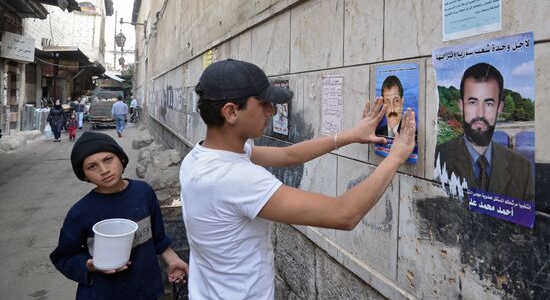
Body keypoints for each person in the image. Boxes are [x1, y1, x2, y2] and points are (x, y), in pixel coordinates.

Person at [179, 59, 416, 299]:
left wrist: (349, 136)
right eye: (263, 104)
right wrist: (396, 156)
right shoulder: (235, 178)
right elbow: (344, 214)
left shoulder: (201, 157)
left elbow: (288, 155)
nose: (271, 111)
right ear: (231, 112)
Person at [50, 131, 188, 299]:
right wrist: (91, 265)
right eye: (92, 166)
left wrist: (173, 260)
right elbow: (63, 257)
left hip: (147, 290)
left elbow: (157, 237)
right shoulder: (80, 213)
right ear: (84, 176)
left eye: (108, 160)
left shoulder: (143, 193)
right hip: (104, 293)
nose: (104, 170)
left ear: (121, 159)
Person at [435, 62, 534, 201]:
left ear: (499, 108)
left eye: (489, 103)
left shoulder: (523, 169)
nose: (480, 113)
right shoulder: (438, 156)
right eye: (472, 102)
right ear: (461, 106)